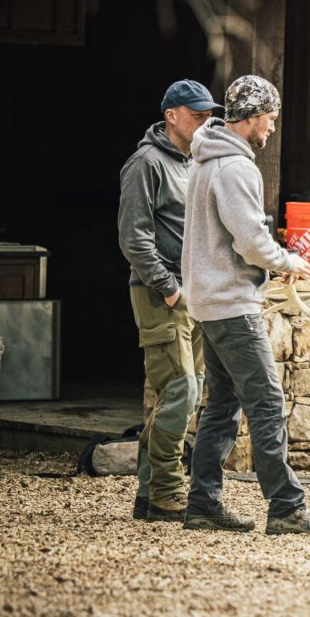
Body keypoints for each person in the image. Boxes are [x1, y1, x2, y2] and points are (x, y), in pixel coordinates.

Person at [180, 75, 310, 536]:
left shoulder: (203, 160)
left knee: (221, 405)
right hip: (232, 304)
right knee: (267, 403)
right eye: (270, 118)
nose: (272, 127)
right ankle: (286, 507)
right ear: (251, 118)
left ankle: (203, 502)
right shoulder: (235, 168)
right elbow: (251, 242)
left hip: (207, 300)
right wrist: (290, 261)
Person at [117, 79, 216, 522]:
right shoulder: (146, 164)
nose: (204, 121)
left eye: (208, 114)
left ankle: (149, 493)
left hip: (192, 294)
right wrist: (171, 289)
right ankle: (167, 493)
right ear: (171, 115)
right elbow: (134, 239)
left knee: (177, 395)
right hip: (163, 295)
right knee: (182, 391)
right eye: (196, 114)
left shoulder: (194, 162)